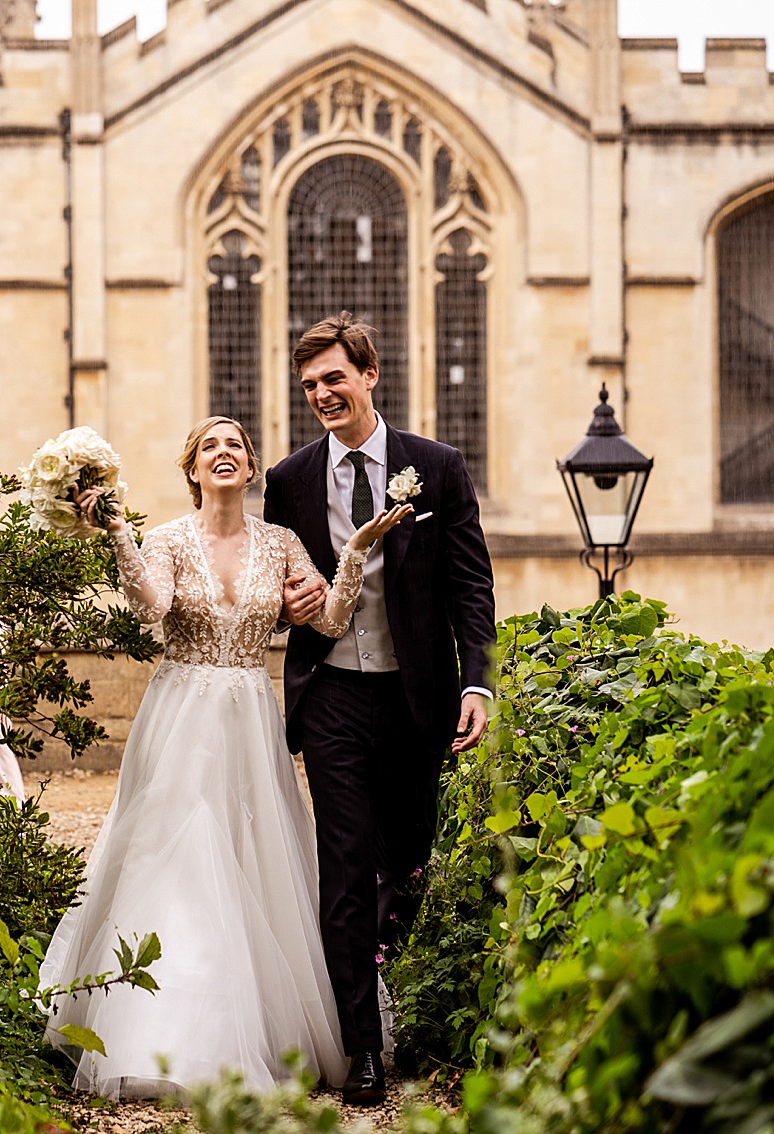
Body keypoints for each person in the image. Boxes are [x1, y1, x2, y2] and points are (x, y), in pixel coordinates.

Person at [40, 415, 411, 1100]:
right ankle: (164, 1038)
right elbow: (149, 609)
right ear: (190, 469)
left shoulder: (281, 543)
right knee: (177, 858)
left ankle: (262, 1035)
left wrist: (355, 550)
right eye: (209, 446)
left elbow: (328, 621)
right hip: (180, 713)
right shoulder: (166, 539)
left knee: (253, 858)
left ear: (250, 466)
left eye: (234, 446)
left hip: (249, 713)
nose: (223, 454)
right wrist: (120, 531)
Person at [264, 311, 496, 1105]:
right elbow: (276, 585)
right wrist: (288, 601)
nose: (322, 394)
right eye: (309, 386)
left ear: (369, 374)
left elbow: (471, 583)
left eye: (334, 378)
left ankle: (393, 987)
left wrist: (477, 683)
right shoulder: (290, 482)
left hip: (415, 694)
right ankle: (363, 1050)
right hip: (330, 692)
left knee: (408, 857)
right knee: (346, 868)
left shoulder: (436, 466)